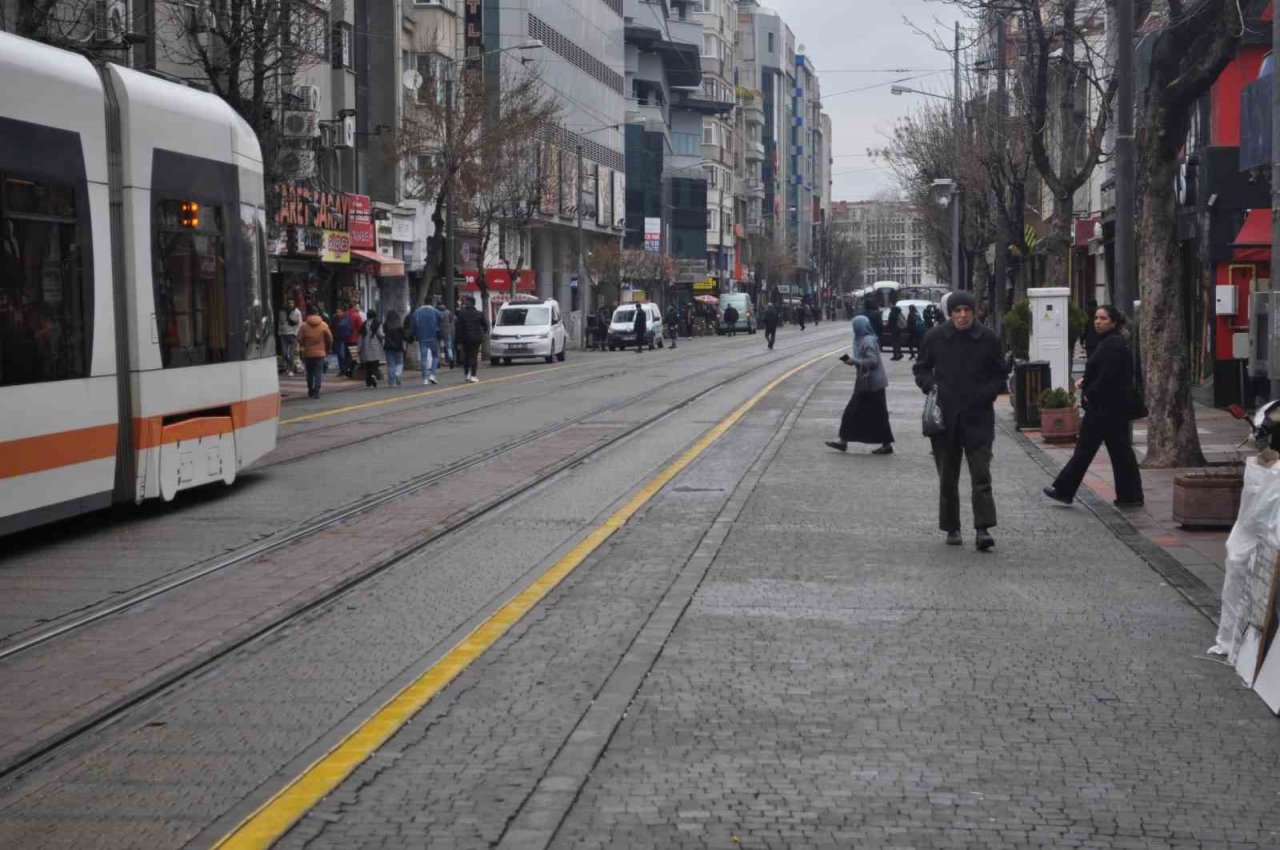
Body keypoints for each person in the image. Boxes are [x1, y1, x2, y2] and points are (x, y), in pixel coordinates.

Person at [913, 290, 1009, 551]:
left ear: (975, 311)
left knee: (981, 475)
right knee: (947, 476)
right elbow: (921, 368)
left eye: (967, 310)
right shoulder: (935, 337)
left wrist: (986, 393)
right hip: (944, 417)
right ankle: (952, 527)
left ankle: (983, 528)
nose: (963, 315)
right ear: (951, 313)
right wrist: (931, 386)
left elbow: (1000, 374)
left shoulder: (988, 339)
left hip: (978, 417)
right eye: (957, 311)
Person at [1043, 305, 1145, 508]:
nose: (1098, 321)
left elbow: (1108, 377)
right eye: (1097, 318)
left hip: (1104, 408)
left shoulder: (1113, 344)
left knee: (1087, 451)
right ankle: (1130, 496)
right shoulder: (1110, 341)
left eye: (1104, 318)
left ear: (1113, 322)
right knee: (1120, 452)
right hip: (1111, 408)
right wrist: (1087, 382)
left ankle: (1064, 490)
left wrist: (1089, 390)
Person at [826, 315, 894, 455]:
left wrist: (854, 361)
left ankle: (845, 441)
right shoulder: (862, 339)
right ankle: (844, 440)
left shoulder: (867, 340)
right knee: (871, 414)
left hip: (872, 384)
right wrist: (854, 361)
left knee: (866, 413)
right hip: (866, 382)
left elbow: (873, 361)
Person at [296, 305, 333, 399]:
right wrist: (327, 348)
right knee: (318, 372)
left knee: (309, 373)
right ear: (317, 313)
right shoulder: (323, 325)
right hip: (320, 352)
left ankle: (310, 390)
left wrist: (304, 344)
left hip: (308, 352)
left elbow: (299, 338)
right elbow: (330, 338)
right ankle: (316, 391)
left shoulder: (303, 325)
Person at [408, 297, 441, 385]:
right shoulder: (435, 311)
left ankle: (425, 378)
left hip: (421, 337)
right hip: (433, 336)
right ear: (431, 303)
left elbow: (412, 325)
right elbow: (441, 321)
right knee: (435, 355)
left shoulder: (417, 312)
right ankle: (432, 375)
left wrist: (413, 334)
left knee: (423, 357)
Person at [455, 294, 487, 382]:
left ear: (468, 303)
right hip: (476, 338)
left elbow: (458, 328)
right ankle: (473, 375)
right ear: (474, 303)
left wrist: (457, 340)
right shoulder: (479, 313)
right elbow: (485, 326)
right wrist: (483, 332)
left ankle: (466, 375)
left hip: (465, 338)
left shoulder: (461, 314)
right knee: (474, 356)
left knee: (466, 356)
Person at [358, 308, 385, 388]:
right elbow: (380, 334)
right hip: (375, 347)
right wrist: (385, 336)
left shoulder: (364, 324)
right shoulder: (377, 323)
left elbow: (360, 337)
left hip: (366, 348)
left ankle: (368, 382)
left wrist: (359, 348)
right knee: (375, 364)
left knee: (368, 365)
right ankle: (373, 376)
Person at [277, 298, 301, 375]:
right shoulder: (282, 312)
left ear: (294, 304)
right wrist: (279, 332)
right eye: (289, 303)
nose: (290, 304)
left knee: (290, 353)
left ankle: (290, 369)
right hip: (283, 334)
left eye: (291, 303)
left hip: (292, 334)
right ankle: (286, 368)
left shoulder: (297, 312)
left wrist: (296, 333)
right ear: (286, 304)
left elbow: (300, 323)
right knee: (284, 353)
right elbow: (279, 323)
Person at [383, 311, 406, 387]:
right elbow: (405, 336)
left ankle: (391, 382)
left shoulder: (385, 326)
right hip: (398, 347)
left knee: (390, 365)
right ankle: (397, 373)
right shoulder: (400, 327)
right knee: (400, 362)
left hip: (388, 347)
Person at [332, 305, 353, 377]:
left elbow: (348, 329)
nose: (338, 313)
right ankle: (342, 370)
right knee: (339, 355)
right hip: (337, 339)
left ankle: (344, 370)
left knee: (342, 355)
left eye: (339, 312)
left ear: (343, 312)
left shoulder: (345, 318)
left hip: (343, 340)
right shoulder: (335, 318)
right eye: (337, 312)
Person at [437, 298, 456, 368]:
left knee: (438, 347)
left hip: (438, 331)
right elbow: (452, 319)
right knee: (449, 347)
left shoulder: (436, 312)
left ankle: (438, 361)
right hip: (447, 331)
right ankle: (451, 358)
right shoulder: (448, 312)